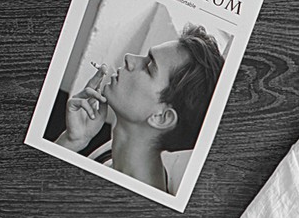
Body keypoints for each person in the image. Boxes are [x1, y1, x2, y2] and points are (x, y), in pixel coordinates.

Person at [56, 23, 224, 194]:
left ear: (161, 117)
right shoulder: (112, 153)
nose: (129, 58)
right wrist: (72, 141)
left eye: (149, 67)